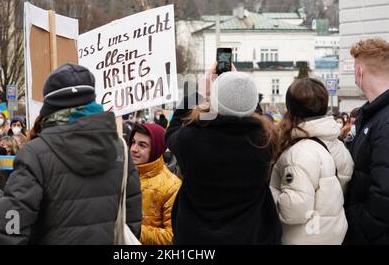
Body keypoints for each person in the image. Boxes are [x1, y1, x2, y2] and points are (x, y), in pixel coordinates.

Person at [0, 63, 142, 244]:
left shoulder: (35, 153)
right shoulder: (120, 148)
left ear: (50, 106)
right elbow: (131, 219)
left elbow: (11, 223)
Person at [166, 70, 282, 245]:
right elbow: (253, 114)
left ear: (214, 101)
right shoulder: (265, 141)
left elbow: (171, 131)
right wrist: (242, 90)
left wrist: (198, 94)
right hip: (251, 235)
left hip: (196, 236)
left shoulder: (191, 139)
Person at [270, 78, 354, 245]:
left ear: (291, 108)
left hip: (303, 239)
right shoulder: (338, 145)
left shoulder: (299, 153)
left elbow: (293, 210)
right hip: (332, 235)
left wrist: (266, 193)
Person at [344, 39, 389, 244]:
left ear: (359, 72)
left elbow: (384, 191)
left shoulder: (383, 120)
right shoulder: (371, 113)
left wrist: (362, 227)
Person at [129, 122, 181, 245]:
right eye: (133, 142)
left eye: (142, 145)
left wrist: (131, 230)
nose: (133, 149)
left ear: (156, 149)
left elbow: (172, 237)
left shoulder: (172, 186)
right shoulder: (121, 175)